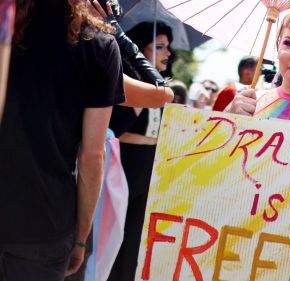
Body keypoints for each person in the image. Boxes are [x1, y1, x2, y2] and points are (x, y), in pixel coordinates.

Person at [0, 1, 124, 280]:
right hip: (45, 224)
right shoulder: (100, 46)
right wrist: (81, 238)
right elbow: (92, 155)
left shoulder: (5, 24)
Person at [107, 20, 174, 281]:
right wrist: (137, 105)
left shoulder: (165, 86)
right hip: (123, 163)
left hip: (149, 169)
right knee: (114, 235)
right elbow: (112, 130)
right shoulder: (125, 81)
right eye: (159, 46)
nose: (167, 53)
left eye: (168, 47)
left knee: (136, 238)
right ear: (138, 48)